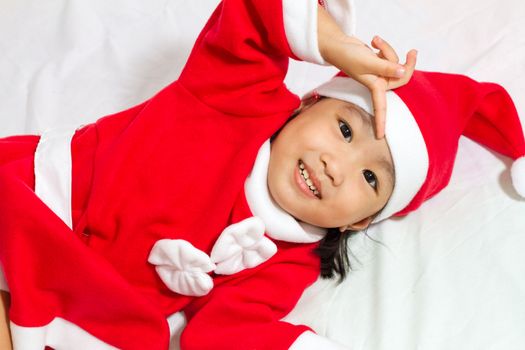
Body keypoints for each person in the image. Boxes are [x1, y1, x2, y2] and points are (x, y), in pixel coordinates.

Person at [1, 0, 524, 349]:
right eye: (344, 130)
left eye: (371, 180)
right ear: (306, 104)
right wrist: (337, 44)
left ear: (361, 223)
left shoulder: (289, 262)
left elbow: (224, 332)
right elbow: (253, 13)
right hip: (45, 199)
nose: (336, 167)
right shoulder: (238, 95)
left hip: (93, 302)